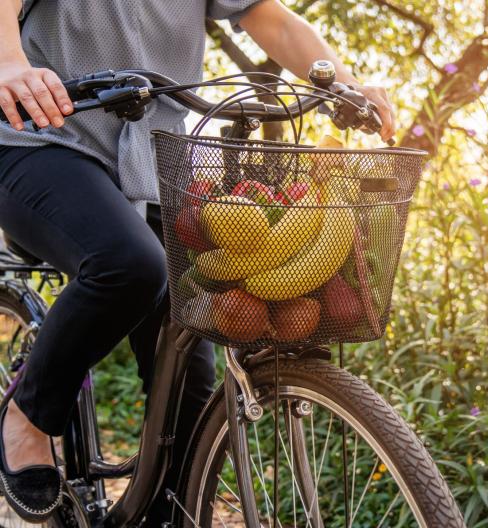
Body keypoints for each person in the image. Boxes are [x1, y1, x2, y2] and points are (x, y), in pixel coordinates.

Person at [0, 0, 396, 523]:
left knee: (190, 355)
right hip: (44, 140)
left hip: (152, 156)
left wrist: (345, 84)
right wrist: (10, 62)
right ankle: (28, 416)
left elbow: (267, 16)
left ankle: (168, 513)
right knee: (131, 263)